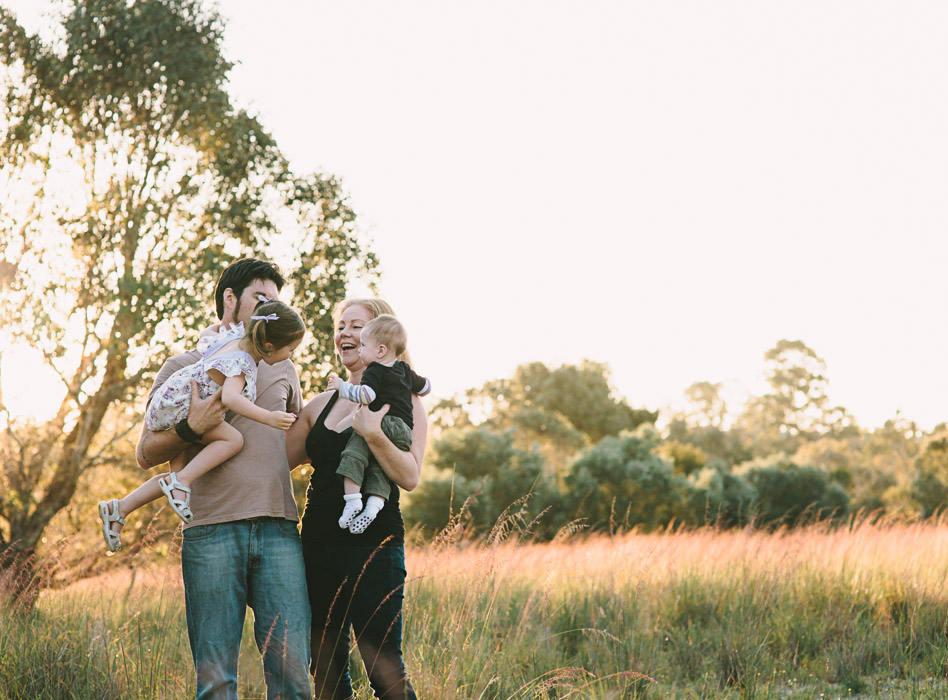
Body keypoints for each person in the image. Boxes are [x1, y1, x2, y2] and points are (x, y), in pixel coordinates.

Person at [132, 258, 312, 700]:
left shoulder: (283, 365)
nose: (270, 309)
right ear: (230, 300)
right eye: (261, 298)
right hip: (210, 531)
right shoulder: (184, 365)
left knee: (293, 677)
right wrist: (190, 428)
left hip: (278, 530)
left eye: (276, 301)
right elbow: (145, 453)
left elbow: (290, 447)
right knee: (216, 683)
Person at [286, 298, 427, 700]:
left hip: (375, 546)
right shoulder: (319, 405)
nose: (346, 334)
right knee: (326, 669)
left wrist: (374, 433)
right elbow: (273, 461)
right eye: (341, 326)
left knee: (384, 669)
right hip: (317, 546)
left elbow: (410, 475)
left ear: (380, 341)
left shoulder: (406, 402)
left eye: (357, 327)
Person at [98, 300, 303, 551]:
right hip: (183, 407)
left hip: (172, 398)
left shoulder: (236, 336)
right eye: (291, 350)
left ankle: (118, 509)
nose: (291, 356)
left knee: (175, 477)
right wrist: (269, 417)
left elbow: (206, 336)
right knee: (233, 440)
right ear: (270, 347)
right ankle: (181, 482)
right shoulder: (243, 361)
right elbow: (230, 397)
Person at [327, 314, 430, 535]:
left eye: (364, 345)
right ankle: (373, 507)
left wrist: (341, 386)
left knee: (354, 453)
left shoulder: (374, 370)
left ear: (381, 351)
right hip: (402, 429)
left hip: (382, 423)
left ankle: (353, 500)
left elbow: (367, 395)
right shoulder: (404, 370)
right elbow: (424, 387)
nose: (360, 349)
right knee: (380, 470)